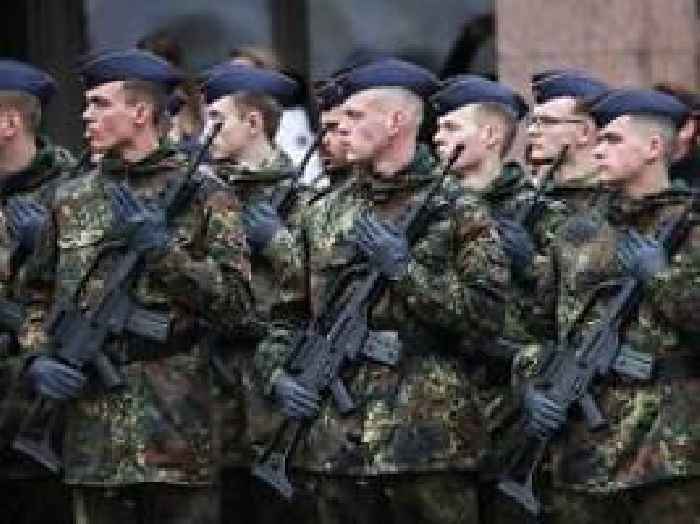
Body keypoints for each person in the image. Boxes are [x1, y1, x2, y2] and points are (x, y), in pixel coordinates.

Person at [254, 57, 509, 524]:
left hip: (427, 439)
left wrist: (404, 270)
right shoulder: (322, 212)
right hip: (336, 442)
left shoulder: (458, 210)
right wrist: (278, 377)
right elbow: (285, 317)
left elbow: (487, 317)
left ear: (396, 121)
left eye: (356, 115)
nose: (341, 127)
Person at [23, 49, 253, 524]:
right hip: (92, 439)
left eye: (100, 104)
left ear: (141, 112)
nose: (86, 116)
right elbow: (35, 296)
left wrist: (164, 253)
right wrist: (37, 357)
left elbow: (239, 308)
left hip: (176, 435)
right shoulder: (68, 197)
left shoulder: (206, 195)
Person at [521, 89, 700, 523]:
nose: (598, 149)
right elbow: (535, 328)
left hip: (667, 448)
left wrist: (660, 278)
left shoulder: (691, 227)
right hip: (582, 446)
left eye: (613, 140)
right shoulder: (575, 232)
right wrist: (532, 386)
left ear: (653, 148)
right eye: (598, 139)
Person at [0, 59, 75, 524]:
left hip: (38, 417)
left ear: (9, 123)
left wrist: (43, 249)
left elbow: (94, 296)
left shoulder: (74, 192)